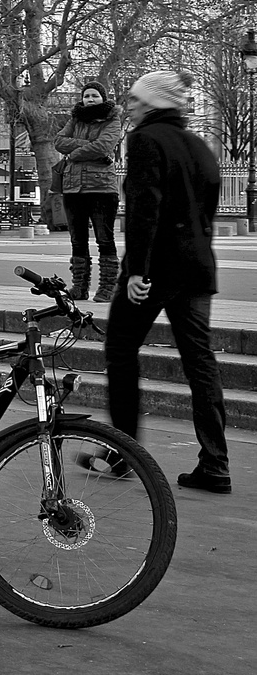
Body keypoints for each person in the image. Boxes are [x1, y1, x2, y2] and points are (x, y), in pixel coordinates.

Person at [97, 69, 230, 494]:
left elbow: (144, 207)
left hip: (155, 272)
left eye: (135, 100)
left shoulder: (145, 141)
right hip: (197, 269)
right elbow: (205, 207)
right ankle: (215, 463)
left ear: (154, 103)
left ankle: (124, 451)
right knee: (200, 362)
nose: (129, 106)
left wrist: (137, 271)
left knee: (120, 349)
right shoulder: (200, 147)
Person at [54, 80, 124, 301]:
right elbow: (58, 141)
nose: (90, 99)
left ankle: (107, 288)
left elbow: (104, 146)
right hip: (73, 187)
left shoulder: (112, 119)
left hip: (102, 187)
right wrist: (87, 145)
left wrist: (73, 153)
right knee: (77, 240)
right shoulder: (76, 118)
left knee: (104, 239)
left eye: (94, 96)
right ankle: (80, 287)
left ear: (103, 98)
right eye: (86, 96)